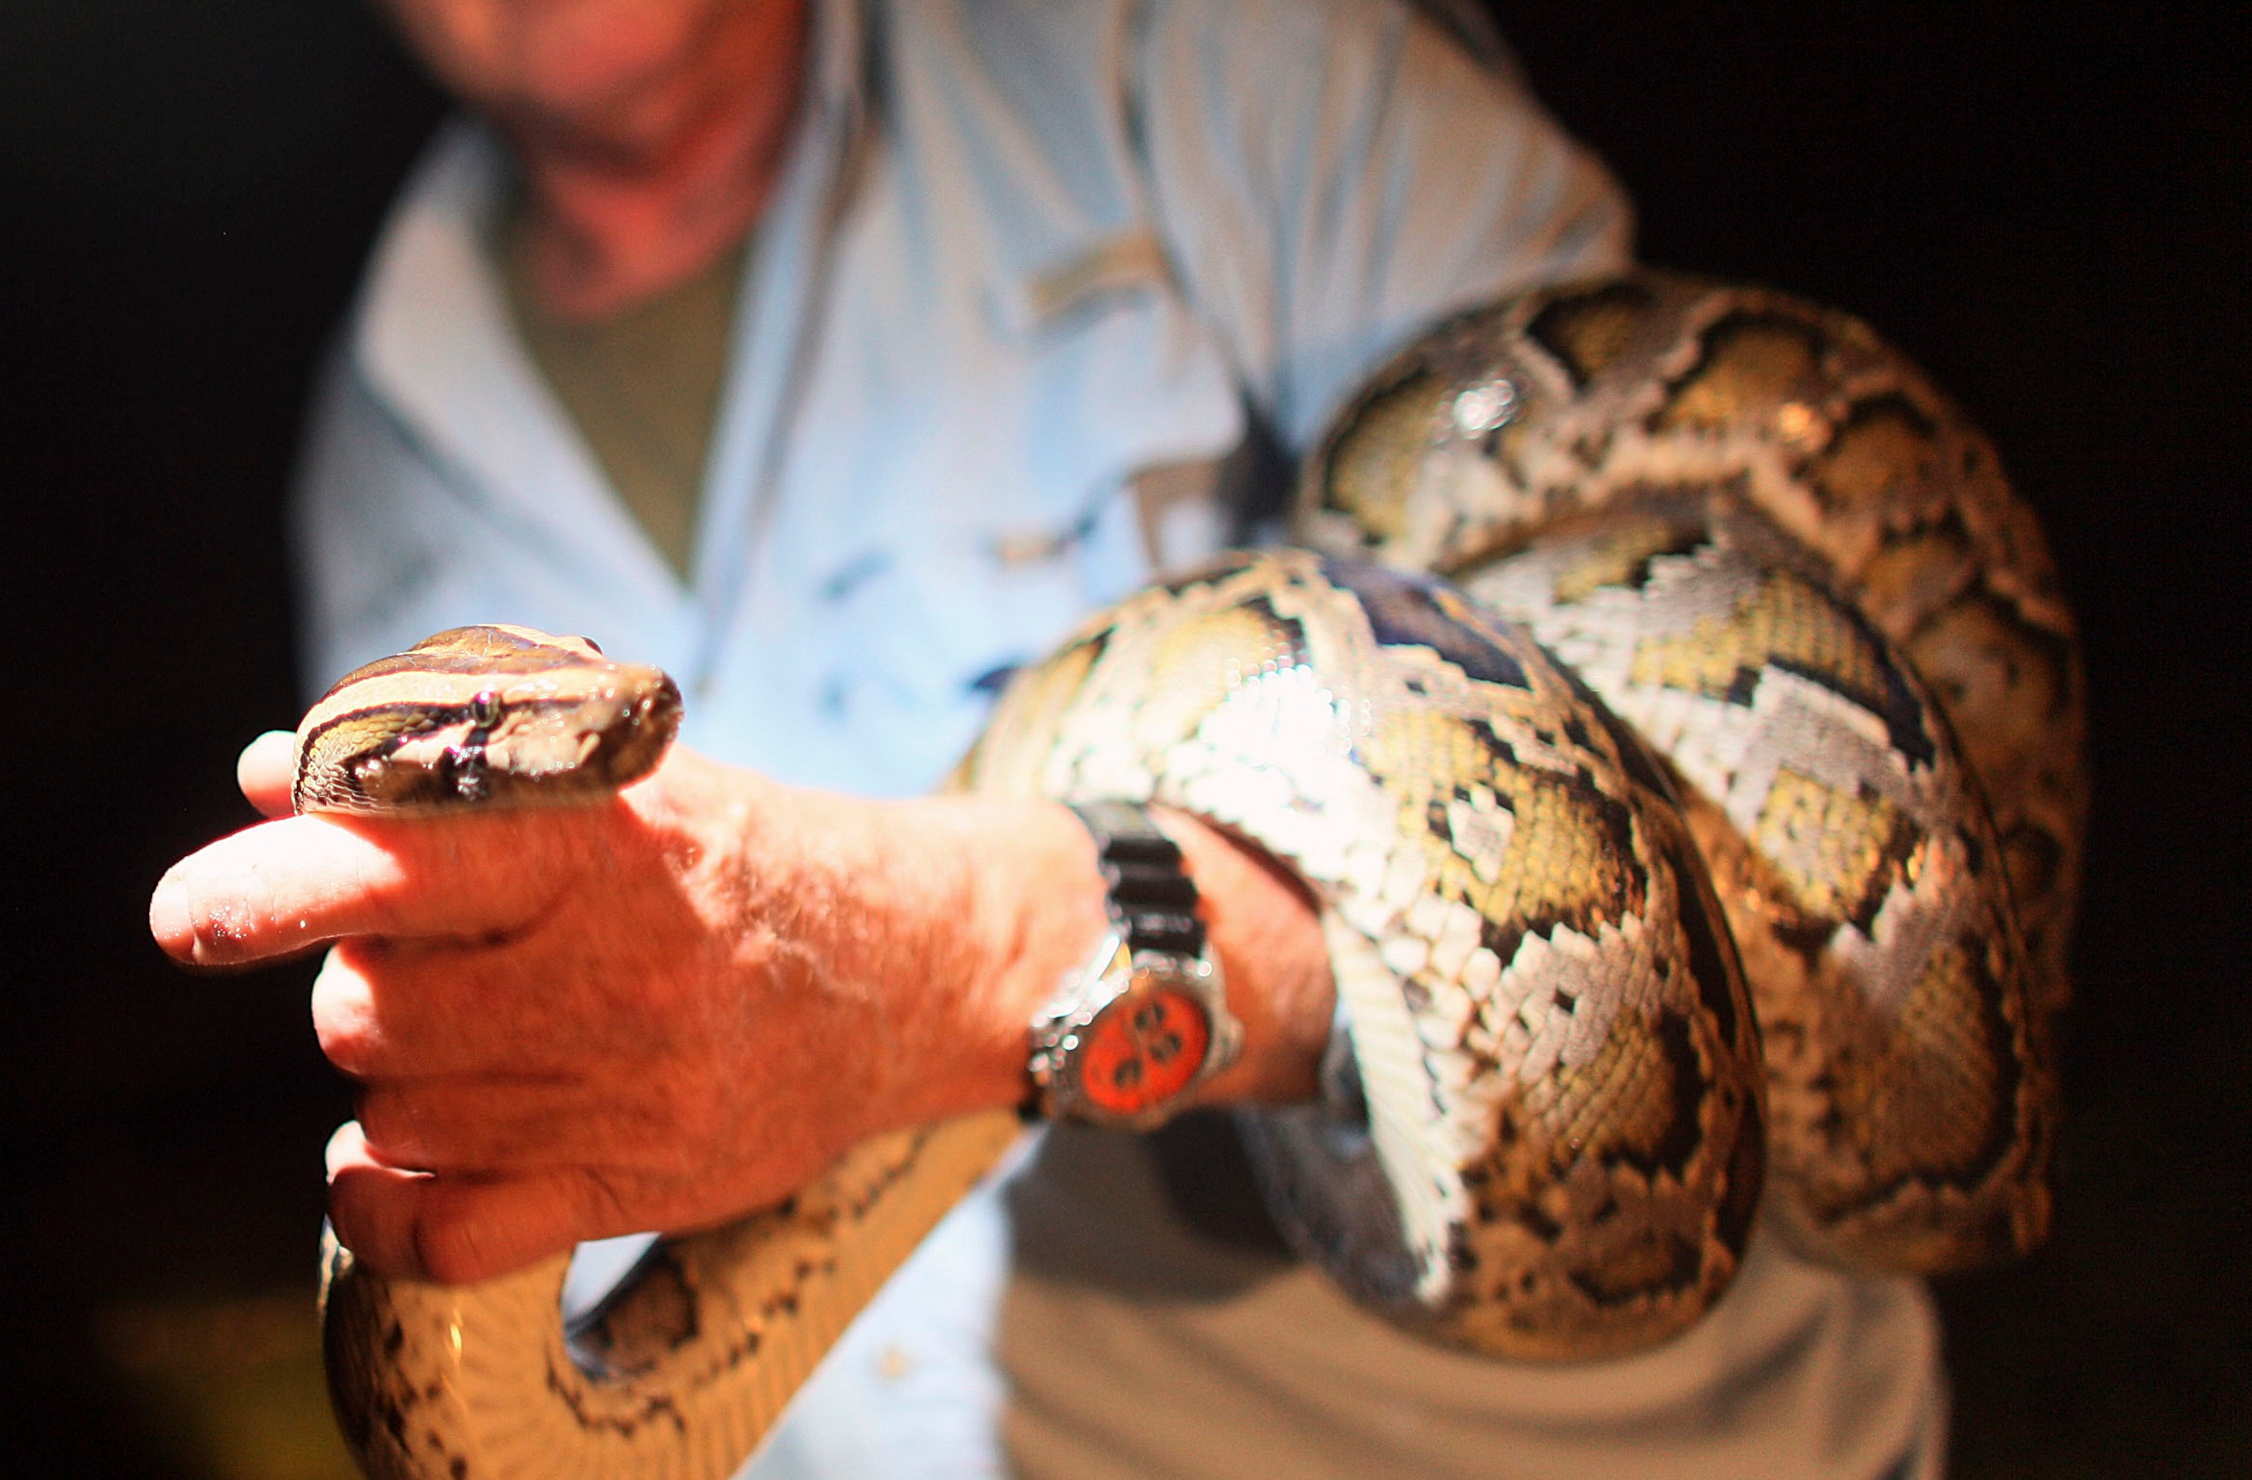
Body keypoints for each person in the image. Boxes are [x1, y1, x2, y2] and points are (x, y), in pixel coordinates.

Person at [150, 0, 1947, 1475]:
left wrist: (974, 966)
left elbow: (1756, 793)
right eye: (479, 739)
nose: (605, 718)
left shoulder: (1205, 57)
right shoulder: (389, 434)